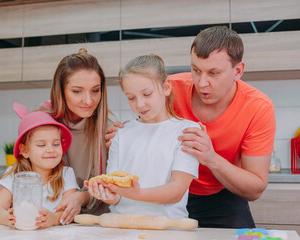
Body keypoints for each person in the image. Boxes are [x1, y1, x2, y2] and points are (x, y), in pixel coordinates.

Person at [106, 26, 276, 228]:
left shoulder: (258, 107)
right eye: (196, 70)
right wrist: (125, 131)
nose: (201, 83)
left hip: (221, 195)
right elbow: (144, 114)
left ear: (237, 71)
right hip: (168, 197)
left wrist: (210, 158)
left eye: (213, 73)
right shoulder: (171, 88)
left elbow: (255, 189)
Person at [0, 48, 110, 225]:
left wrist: (80, 198)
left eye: (95, 90)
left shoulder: (110, 130)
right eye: (77, 91)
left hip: (94, 222)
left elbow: (113, 186)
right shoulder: (43, 119)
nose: (89, 101)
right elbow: (24, 173)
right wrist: (5, 206)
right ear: (61, 91)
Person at [85, 54, 199, 218]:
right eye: (131, 98)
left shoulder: (187, 131)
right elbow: (116, 197)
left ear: (166, 88)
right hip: (122, 228)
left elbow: (176, 190)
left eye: (147, 94)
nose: (139, 104)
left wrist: (136, 193)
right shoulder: (121, 134)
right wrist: (107, 194)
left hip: (168, 230)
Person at [0, 102, 79, 229]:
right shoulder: (14, 175)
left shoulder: (66, 174)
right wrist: (6, 218)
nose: (51, 150)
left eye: (56, 144)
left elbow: (69, 212)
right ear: (25, 150)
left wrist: (53, 218)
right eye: (41, 145)